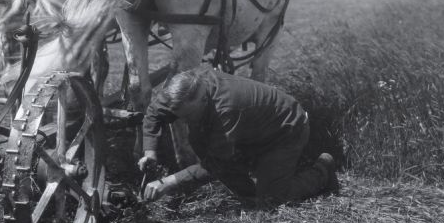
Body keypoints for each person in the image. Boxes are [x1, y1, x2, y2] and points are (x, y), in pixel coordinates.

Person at [138, 66, 339, 206]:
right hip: (252, 127)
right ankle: (254, 186)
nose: (183, 121)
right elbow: (155, 114)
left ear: (203, 100)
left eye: (188, 116)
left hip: (286, 130)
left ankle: (322, 170)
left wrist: (169, 182)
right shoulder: (181, 90)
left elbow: (215, 165)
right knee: (202, 141)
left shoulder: (226, 109)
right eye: (179, 115)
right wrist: (150, 153)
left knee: (271, 200)